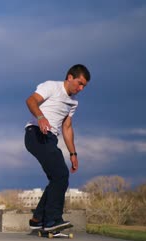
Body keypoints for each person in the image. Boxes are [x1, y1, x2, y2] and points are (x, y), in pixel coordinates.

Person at [24, 64, 90, 231]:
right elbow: (31, 100)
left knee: (58, 177)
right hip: (36, 133)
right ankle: (53, 220)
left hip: (50, 139)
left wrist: (73, 153)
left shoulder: (73, 103)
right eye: (79, 83)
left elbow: (66, 128)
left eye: (84, 86)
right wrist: (40, 117)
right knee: (60, 175)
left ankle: (38, 218)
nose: (81, 88)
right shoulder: (51, 86)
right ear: (70, 77)